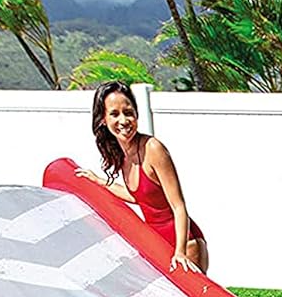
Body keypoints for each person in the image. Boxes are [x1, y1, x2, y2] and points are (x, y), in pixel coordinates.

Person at [76, 80, 209, 273]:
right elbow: (139, 197)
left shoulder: (153, 149)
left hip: (185, 243)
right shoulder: (122, 156)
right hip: (158, 244)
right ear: (103, 119)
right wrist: (99, 181)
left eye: (128, 112)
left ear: (136, 114)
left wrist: (180, 252)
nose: (123, 120)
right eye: (114, 114)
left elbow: (178, 206)